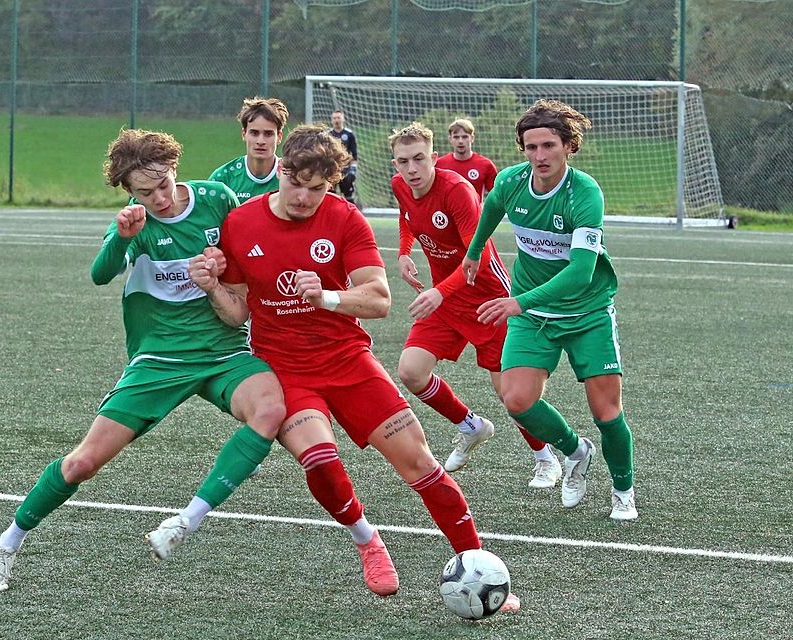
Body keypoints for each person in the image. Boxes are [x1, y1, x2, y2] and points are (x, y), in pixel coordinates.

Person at [181, 124, 519, 610]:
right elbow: (236, 311)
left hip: (348, 361)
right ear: (281, 171)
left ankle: (476, 564)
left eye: (318, 189)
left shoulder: (345, 220)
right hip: (285, 371)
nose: (304, 197)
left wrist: (328, 295)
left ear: (332, 185)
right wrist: (213, 286)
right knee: (319, 460)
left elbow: (379, 300)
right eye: (296, 184)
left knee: (420, 463)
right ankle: (367, 539)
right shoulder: (241, 224)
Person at [0, 129, 287, 592]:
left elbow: (250, 247)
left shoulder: (216, 198)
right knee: (83, 463)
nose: (159, 198)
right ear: (128, 191)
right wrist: (122, 239)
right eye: (145, 191)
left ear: (174, 169)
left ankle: (186, 522)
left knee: (272, 411)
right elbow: (101, 273)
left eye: (163, 185)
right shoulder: (133, 222)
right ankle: (7, 543)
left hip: (224, 351)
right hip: (159, 358)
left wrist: (226, 266)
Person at [461, 99, 638, 521]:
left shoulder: (585, 193)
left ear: (568, 147)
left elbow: (580, 274)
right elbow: (492, 208)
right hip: (535, 317)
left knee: (606, 411)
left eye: (548, 146)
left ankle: (623, 491)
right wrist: (472, 253)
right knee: (517, 399)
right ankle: (575, 451)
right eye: (531, 146)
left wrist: (517, 302)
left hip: (587, 313)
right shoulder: (511, 181)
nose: (539, 155)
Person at [389, 123, 562, 488]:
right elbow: (408, 218)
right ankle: (471, 426)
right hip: (447, 299)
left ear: (435, 157)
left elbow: (477, 256)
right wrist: (404, 252)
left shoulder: (456, 191)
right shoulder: (400, 186)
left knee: (511, 393)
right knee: (411, 371)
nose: (412, 169)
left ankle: (546, 458)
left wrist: (439, 292)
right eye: (403, 161)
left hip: (489, 298)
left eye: (419, 159)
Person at [209, 97, 288, 202]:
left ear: (279, 137)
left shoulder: (290, 177)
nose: (260, 141)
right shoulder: (223, 178)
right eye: (254, 133)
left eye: (268, 134)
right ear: (244, 134)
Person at [435, 118, 497, 201]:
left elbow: (496, 196)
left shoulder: (486, 165)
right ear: (450, 139)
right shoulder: (439, 164)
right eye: (456, 137)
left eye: (465, 137)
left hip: (475, 213)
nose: (460, 141)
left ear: (472, 138)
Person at [328, 109, 357, 204]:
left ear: (343, 119)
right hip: (332, 169)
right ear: (331, 120)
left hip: (345, 169)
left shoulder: (349, 134)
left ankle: (352, 216)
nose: (336, 120)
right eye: (334, 118)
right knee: (330, 195)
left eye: (338, 118)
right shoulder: (327, 135)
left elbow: (354, 154)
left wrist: (353, 169)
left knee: (348, 195)